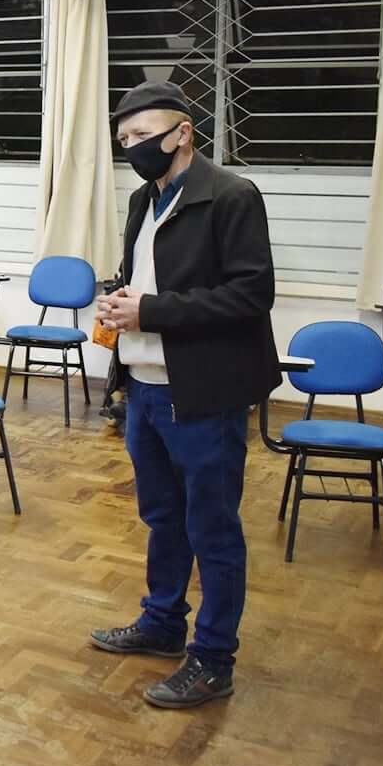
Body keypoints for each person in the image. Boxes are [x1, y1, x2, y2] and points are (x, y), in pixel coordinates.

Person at [90, 80, 280, 710]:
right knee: (162, 518)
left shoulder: (231, 196)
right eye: (124, 140)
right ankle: (163, 624)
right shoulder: (144, 200)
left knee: (213, 530)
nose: (133, 148)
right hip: (144, 390)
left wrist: (152, 310)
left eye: (143, 136)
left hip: (204, 393)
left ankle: (213, 659)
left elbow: (251, 295)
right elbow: (149, 279)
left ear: (183, 133)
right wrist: (121, 300)